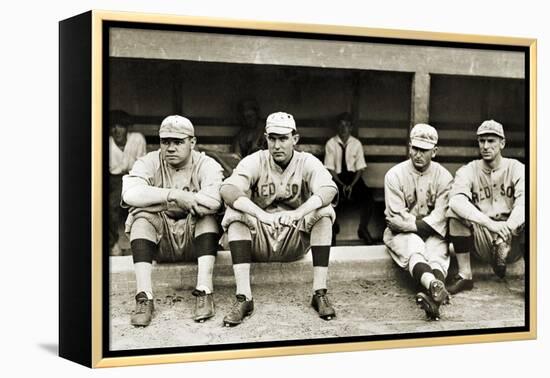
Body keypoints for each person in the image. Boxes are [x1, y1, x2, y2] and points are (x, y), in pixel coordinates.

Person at [219, 111, 338, 326]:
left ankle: (319, 292)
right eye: (272, 138)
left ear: (295, 139)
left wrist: (299, 213)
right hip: (260, 237)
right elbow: (228, 189)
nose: (277, 145)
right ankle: (244, 297)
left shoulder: (306, 161)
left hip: (293, 237)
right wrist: (261, 215)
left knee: (324, 212)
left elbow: (329, 189)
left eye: (283, 138)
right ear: (266, 138)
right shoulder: (256, 160)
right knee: (235, 213)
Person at [121, 115, 224, 327]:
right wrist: (174, 196)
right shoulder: (149, 161)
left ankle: (204, 291)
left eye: (178, 142)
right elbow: (129, 194)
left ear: (192, 143)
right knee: (140, 216)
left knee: (207, 217)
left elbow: (213, 201)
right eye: (165, 141)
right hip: (161, 242)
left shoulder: (206, 164)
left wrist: (154, 200)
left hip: (195, 241)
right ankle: (144, 296)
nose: (170, 148)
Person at [383, 124, 453, 320]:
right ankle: (435, 287)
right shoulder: (394, 174)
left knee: (437, 253)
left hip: (431, 232)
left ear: (435, 151)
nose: (418, 154)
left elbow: (440, 216)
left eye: (424, 149)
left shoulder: (444, 177)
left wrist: (411, 224)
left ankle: (433, 292)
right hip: (402, 234)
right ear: (409, 147)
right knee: (414, 248)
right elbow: (396, 216)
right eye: (415, 148)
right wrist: (417, 226)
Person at [446, 120, 525, 294]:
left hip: (513, 238)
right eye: (482, 141)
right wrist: (491, 225)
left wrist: (507, 229)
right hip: (482, 236)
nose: (485, 146)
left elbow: (526, 201)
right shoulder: (468, 170)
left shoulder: (516, 168)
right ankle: (465, 276)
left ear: (502, 143)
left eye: (491, 141)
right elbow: (456, 201)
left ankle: (534, 280)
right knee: (454, 213)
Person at [324, 112, 375, 244]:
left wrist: (351, 185)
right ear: (337, 127)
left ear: (351, 128)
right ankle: (333, 229)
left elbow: (360, 168)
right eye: (341, 125)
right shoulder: (331, 143)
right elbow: (330, 169)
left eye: (346, 125)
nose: (343, 128)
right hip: (337, 178)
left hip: (353, 178)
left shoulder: (356, 143)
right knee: (329, 197)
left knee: (368, 197)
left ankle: (363, 229)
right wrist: (341, 185)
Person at [109, 110, 147, 256]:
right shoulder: (107, 143)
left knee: (144, 205)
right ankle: (113, 244)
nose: (116, 130)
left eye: (121, 126)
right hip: (115, 179)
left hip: (135, 177)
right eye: (113, 126)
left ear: (127, 128)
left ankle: (142, 243)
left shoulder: (137, 139)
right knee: (111, 206)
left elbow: (142, 164)